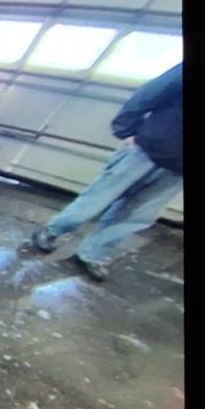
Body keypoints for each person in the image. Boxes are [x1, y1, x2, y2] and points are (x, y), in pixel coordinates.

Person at [31, 62, 182, 281]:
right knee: (97, 199)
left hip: (178, 171)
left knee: (137, 215)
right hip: (148, 148)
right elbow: (152, 92)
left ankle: (92, 253)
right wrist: (126, 129)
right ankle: (52, 231)